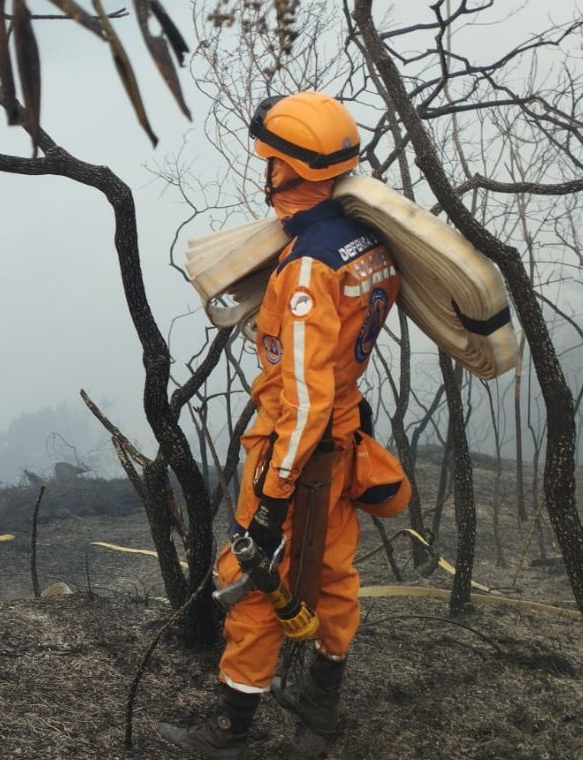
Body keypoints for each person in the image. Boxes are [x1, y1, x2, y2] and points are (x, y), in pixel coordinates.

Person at [158, 91, 413, 758]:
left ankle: (228, 731)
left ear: (287, 168)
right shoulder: (367, 241)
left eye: (269, 160)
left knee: (249, 585)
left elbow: (302, 399)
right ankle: (320, 718)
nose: (263, 172)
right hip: (344, 445)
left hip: (294, 454)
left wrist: (267, 509)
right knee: (332, 577)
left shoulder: (307, 269)